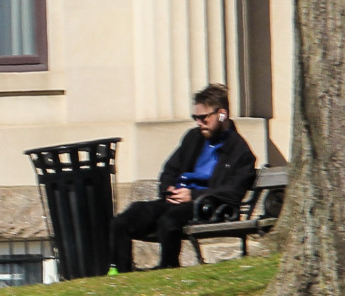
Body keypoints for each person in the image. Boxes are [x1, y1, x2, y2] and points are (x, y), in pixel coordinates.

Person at [110, 83, 258, 272]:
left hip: (206, 205)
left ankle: (167, 268)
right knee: (124, 220)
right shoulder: (193, 138)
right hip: (175, 200)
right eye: (195, 117)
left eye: (204, 118)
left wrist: (194, 196)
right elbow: (170, 169)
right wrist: (168, 189)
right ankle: (121, 273)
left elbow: (233, 192)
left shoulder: (239, 151)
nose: (199, 123)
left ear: (222, 114)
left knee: (169, 221)